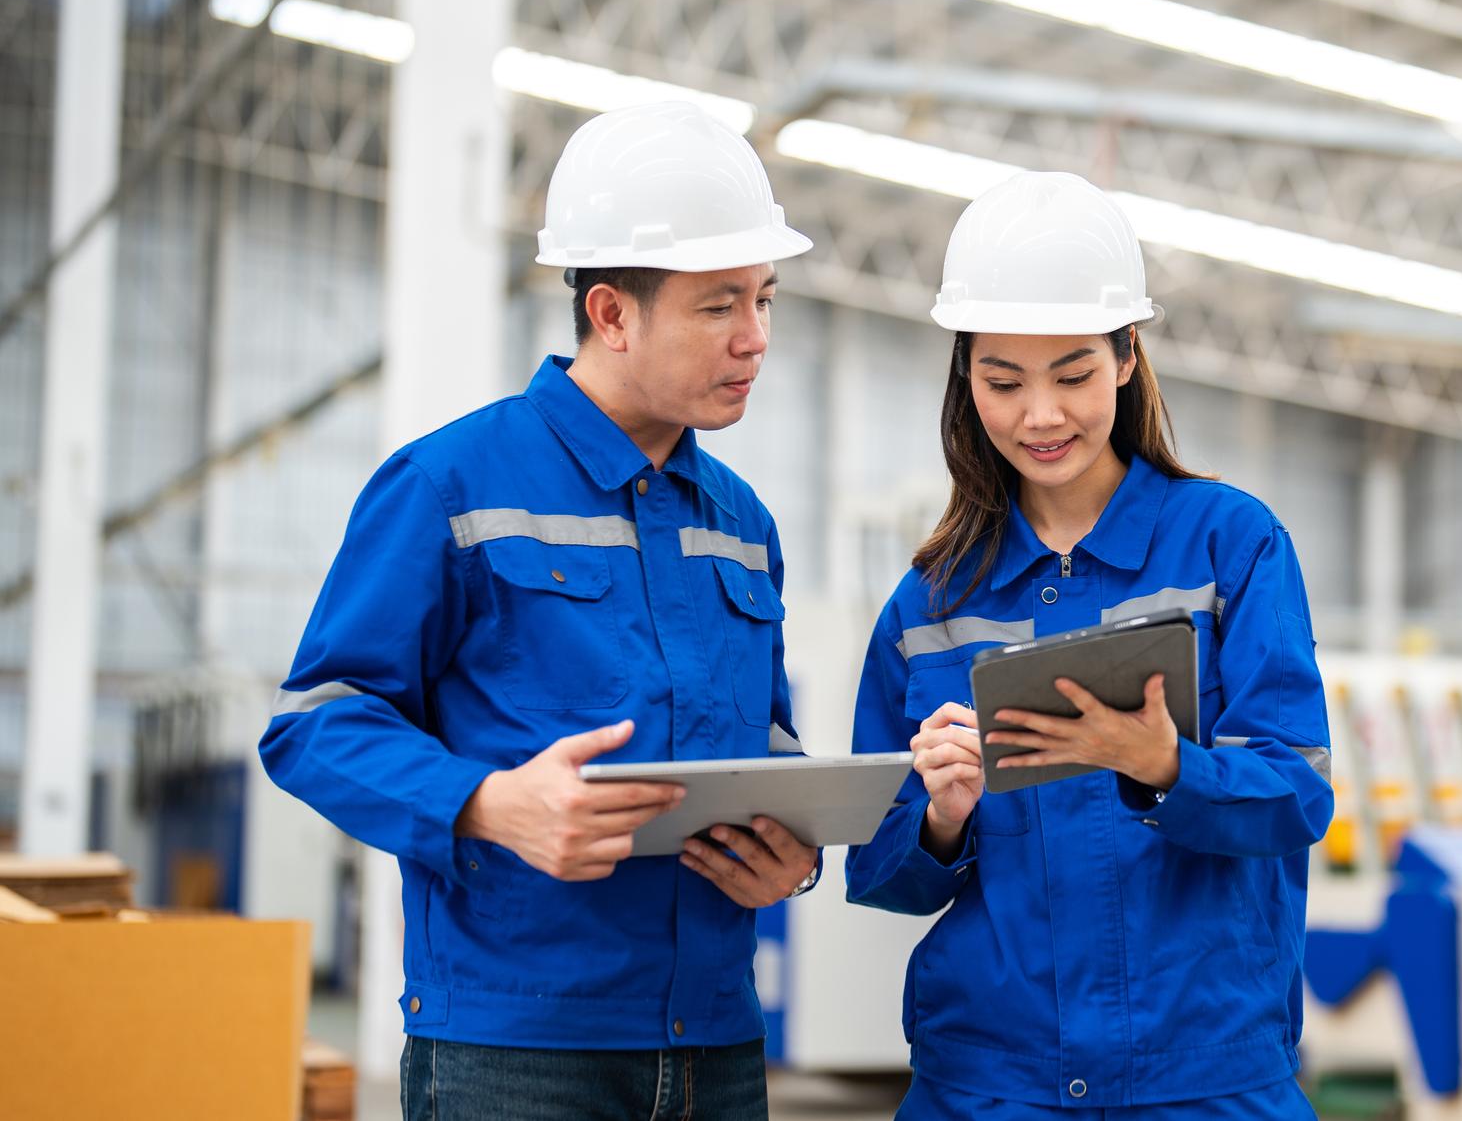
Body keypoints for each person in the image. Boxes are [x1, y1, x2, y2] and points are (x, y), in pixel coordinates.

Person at [261, 100, 819, 1120]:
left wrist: (793, 850)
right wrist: (485, 803)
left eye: (764, 299)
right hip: (516, 1057)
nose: (755, 339)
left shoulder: (742, 523)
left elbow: (767, 741)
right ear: (612, 313)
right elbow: (315, 724)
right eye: (718, 307)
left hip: (719, 1047)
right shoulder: (448, 485)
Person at [845, 171, 1334, 1119]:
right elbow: (878, 871)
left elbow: (1297, 794)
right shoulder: (931, 603)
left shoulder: (1229, 547)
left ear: (1125, 357)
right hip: (992, 1087)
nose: (1041, 416)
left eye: (1072, 375)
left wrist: (1165, 766)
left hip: (1204, 1079)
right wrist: (941, 817)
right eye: (1003, 382)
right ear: (966, 376)